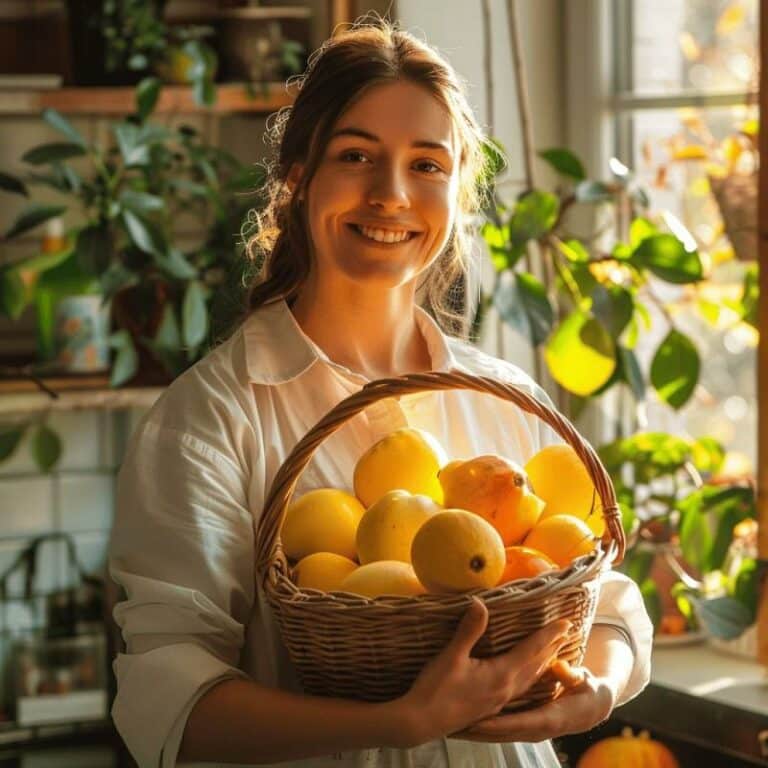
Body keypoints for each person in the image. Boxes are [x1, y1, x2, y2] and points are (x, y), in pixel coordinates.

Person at [108, 18, 653, 768]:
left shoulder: (503, 397)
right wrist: (401, 721)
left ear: (458, 190)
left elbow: (605, 593)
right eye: (356, 155)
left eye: (427, 165)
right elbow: (167, 700)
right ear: (297, 175)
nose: (390, 194)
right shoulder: (210, 419)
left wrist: (598, 686)